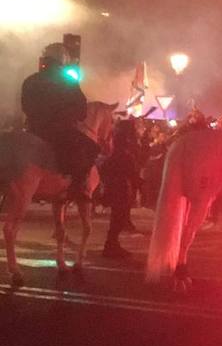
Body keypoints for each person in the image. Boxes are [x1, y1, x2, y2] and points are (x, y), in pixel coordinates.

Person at [20, 43, 98, 200]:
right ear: (62, 60)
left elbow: (25, 106)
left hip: (33, 129)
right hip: (59, 132)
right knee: (92, 147)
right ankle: (77, 187)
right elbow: (81, 110)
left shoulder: (31, 80)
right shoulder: (68, 81)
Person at [100, 119, 140, 259]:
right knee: (119, 217)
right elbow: (129, 169)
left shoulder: (119, 145)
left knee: (118, 217)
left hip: (118, 186)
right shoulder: (122, 149)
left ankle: (112, 244)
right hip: (120, 187)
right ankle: (110, 245)